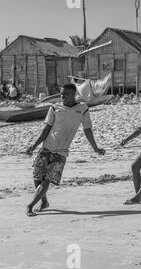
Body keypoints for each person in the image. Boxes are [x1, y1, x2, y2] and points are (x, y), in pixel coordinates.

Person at [25, 84, 105, 217]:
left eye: (66, 94)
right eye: (61, 94)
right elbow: (46, 129)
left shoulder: (83, 108)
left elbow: (87, 129)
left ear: (74, 94)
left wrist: (95, 148)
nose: (63, 97)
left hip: (61, 152)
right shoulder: (54, 108)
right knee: (37, 177)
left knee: (47, 180)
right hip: (46, 147)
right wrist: (34, 146)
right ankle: (44, 202)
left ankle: (30, 205)